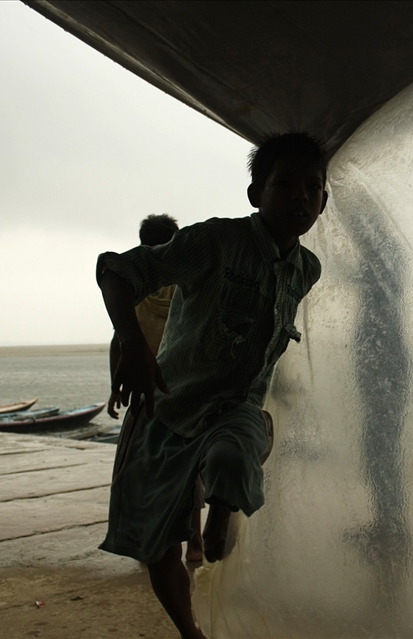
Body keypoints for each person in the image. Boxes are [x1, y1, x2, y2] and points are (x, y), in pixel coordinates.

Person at [96, 132, 328, 639]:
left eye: (312, 187)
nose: (299, 197)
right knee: (155, 547)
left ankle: (220, 512)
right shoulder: (214, 242)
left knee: (231, 454)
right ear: (254, 194)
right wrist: (131, 346)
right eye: (283, 184)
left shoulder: (306, 269)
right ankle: (190, 632)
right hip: (166, 408)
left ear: (324, 202)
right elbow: (115, 270)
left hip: (235, 409)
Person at [107, 213, 211, 562]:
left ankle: (146, 541)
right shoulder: (188, 283)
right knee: (187, 473)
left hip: (143, 393)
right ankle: (195, 544)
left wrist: (114, 387)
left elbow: (119, 342)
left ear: (141, 244)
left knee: (139, 471)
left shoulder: (135, 287)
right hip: (184, 393)